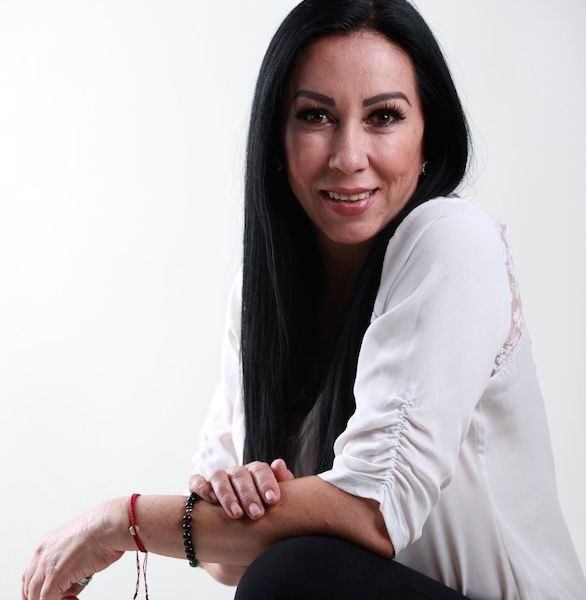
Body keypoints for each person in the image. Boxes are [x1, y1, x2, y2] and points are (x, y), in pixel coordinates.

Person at [21, 1, 586, 599]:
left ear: (429, 137)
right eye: (316, 116)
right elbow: (225, 563)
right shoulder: (263, 292)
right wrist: (247, 497)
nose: (348, 157)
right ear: (278, 139)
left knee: (292, 574)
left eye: (384, 117)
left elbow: (372, 512)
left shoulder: (451, 239)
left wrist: (121, 522)